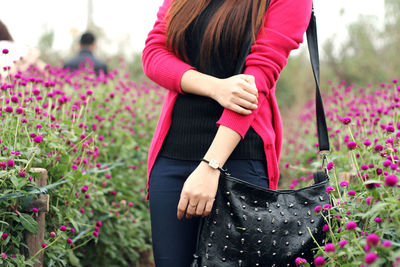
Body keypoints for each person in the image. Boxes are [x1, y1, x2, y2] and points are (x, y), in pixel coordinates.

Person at [142, 0, 312, 266]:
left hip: (240, 159)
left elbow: (258, 78)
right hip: (172, 157)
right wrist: (215, 87)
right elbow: (154, 54)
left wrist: (211, 165)